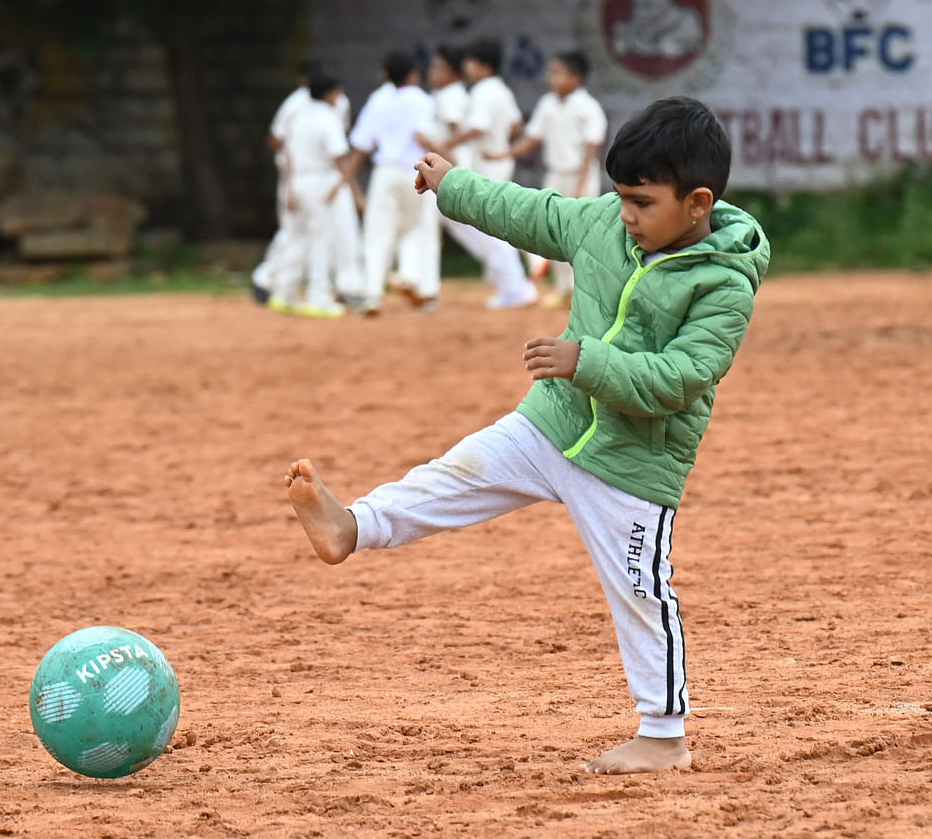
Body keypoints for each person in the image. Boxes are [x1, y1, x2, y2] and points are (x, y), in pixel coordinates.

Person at [282, 97, 769, 774]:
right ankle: (352, 527)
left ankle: (662, 737)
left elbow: (680, 378)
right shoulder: (603, 224)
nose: (624, 212)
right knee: (455, 472)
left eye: (641, 201)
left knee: (641, 591)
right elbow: (529, 212)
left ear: (697, 202)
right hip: (553, 423)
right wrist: (455, 186)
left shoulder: (725, 282)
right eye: (620, 196)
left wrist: (585, 361)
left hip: (632, 463)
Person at [487, 51, 607, 309]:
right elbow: (532, 137)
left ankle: (584, 292)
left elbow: (591, 147)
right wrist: (504, 153)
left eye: (559, 73)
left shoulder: (588, 107)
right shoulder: (548, 104)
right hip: (556, 173)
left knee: (582, 235)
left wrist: (581, 184)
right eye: (552, 73)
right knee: (552, 230)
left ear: (576, 77)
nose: (552, 78)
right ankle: (563, 288)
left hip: (580, 174)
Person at [435, 38, 539, 310]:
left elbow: (478, 127)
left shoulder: (482, 91)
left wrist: (450, 143)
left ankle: (515, 287)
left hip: (486, 167)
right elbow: (516, 123)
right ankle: (511, 282)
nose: (466, 67)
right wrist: (501, 142)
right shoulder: (501, 90)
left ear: (483, 66)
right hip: (496, 165)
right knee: (485, 225)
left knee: (489, 229)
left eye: (470, 62)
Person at [253, 60, 361, 306]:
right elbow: (339, 157)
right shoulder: (327, 119)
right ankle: (319, 296)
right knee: (322, 239)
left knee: (296, 236)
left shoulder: (300, 116)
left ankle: (283, 292)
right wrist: (345, 187)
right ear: (329, 93)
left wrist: (289, 187)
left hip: (297, 180)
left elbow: (286, 150)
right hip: (321, 181)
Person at [345, 50, 439, 316]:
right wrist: (449, 156)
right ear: (413, 74)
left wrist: (348, 180)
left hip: (384, 172)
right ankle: (410, 276)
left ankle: (372, 294)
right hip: (416, 171)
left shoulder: (378, 100)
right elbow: (424, 136)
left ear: (386, 75)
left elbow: (362, 144)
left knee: (377, 232)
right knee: (415, 228)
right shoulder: (422, 100)